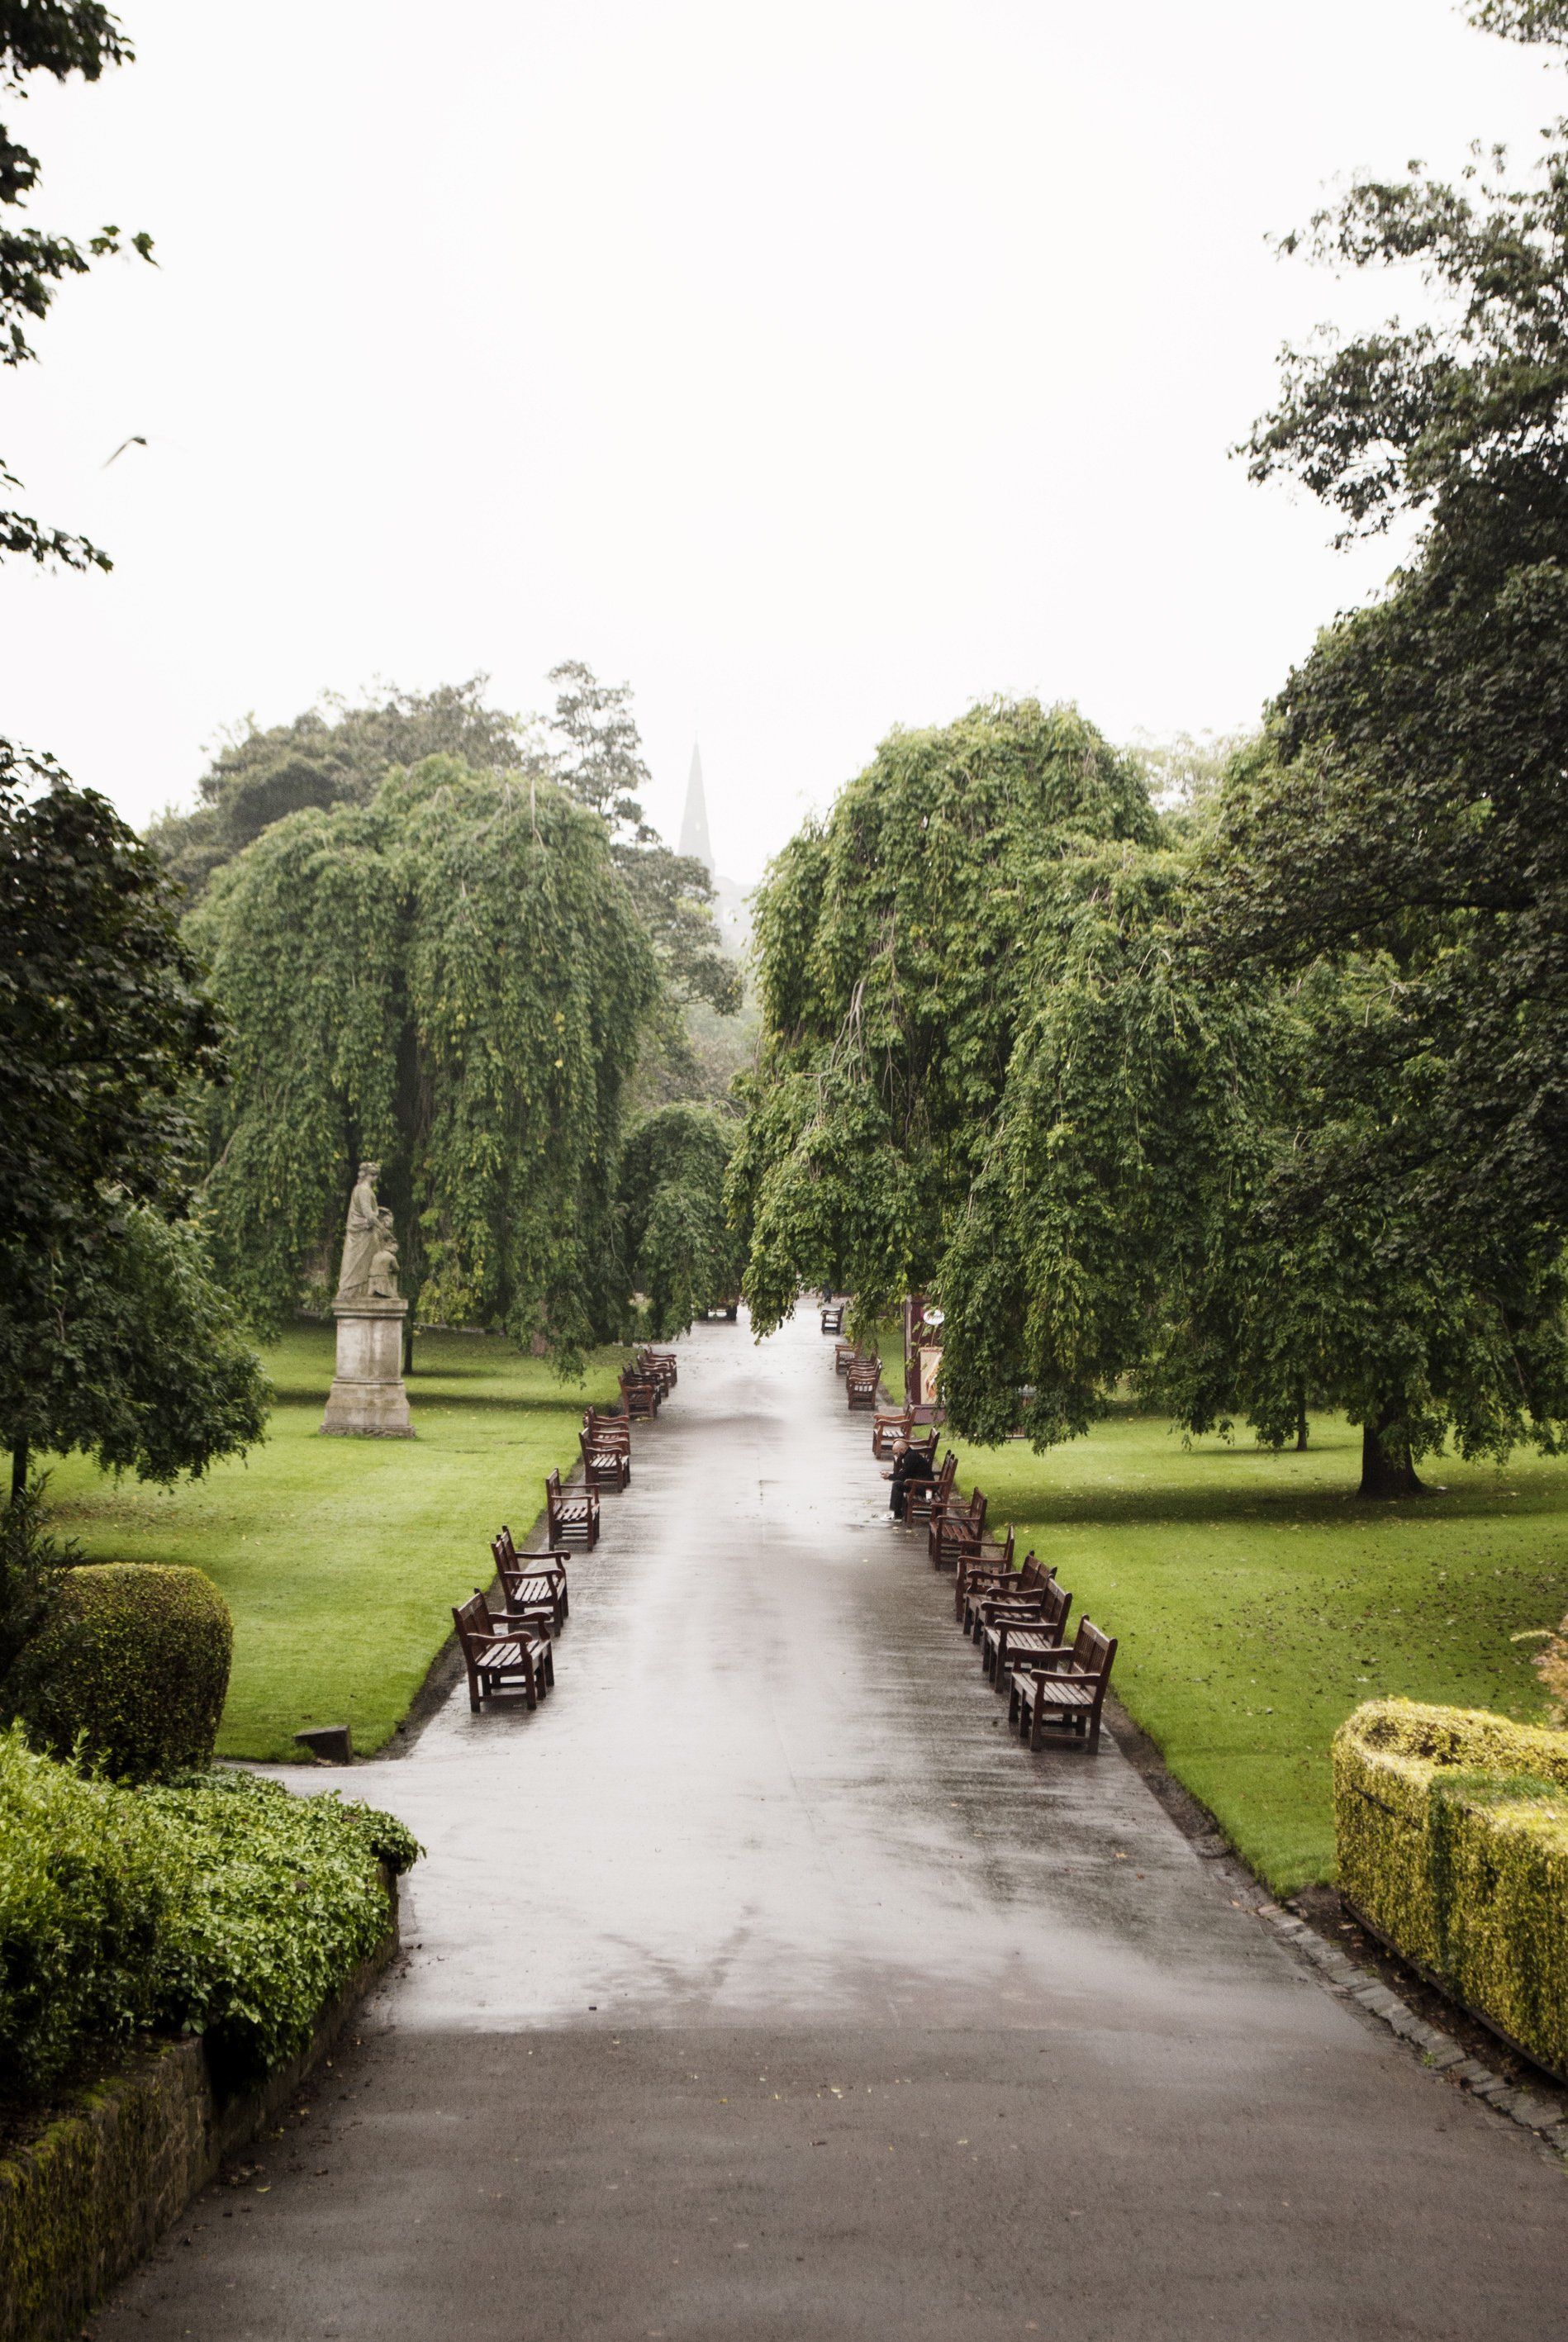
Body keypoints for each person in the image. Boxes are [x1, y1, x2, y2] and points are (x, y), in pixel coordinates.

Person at [889, 1443, 935, 1520]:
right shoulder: (911, 1455)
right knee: (899, 1484)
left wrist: (889, 1476)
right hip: (925, 1487)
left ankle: (897, 1515)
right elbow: (905, 1474)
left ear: (902, 1450)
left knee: (897, 1484)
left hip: (928, 1492)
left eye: (896, 1453)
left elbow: (903, 1477)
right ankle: (897, 1513)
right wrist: (891, 1475)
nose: (896, 1456)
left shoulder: (910, 1457)